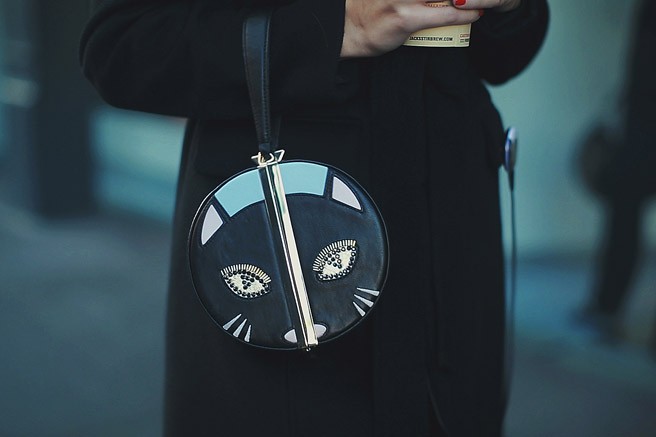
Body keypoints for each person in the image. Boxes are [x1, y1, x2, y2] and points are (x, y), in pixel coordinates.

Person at [80, 0, 548, 435]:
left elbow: (506, 56)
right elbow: (120, 50)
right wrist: (341, 27)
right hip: (281, 238)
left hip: (450, 234)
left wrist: (510, 7)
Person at [578, 0, 656, 350]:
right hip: (640, 119)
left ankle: (607, 305)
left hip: (641, 119)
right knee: (624, 213)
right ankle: (606, 304)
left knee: (624, 213)